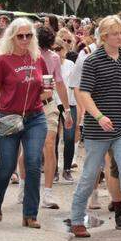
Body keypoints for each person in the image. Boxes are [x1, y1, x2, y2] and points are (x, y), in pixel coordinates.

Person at [69, 15, 121, 239]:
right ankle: (76, 219)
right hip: (97, 129)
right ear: (104, 37)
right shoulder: (92, 61)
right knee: (90, 174)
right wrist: (99, 116)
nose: (120, 37)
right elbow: (84, 93)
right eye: (115, 34)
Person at [0, 18, 50, 228]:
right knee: (7, 166)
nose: (24, 39)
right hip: (8, 116)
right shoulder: (4, 60)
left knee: (32, 163)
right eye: (20, 35)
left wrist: (47, 93)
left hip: (35, 117)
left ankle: (30, 214)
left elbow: (45, 85)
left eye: (28, 35)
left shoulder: (38, 58)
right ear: (12, 37)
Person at [31, 25, 73, 210]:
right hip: (27, 107)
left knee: (49, 144)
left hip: (48, 106)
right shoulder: (27, 55)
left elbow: (60, 83)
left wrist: (67, 109)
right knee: (28, 149)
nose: (45, 51)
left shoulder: (54, 58)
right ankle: (25, 187)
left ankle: (47, 192)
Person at [56, 40, 78, 184]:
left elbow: (76, 85)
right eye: (55, 49)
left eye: (60, 49)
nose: (58, 52)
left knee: (69, 137)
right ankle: (53, 169)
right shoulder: (49, 64)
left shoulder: (71, 65)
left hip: (70, 103)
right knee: (53, 138)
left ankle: (67, 169)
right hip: (53, 103)